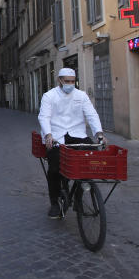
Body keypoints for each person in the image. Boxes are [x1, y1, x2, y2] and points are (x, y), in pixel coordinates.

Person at [38, 67, 104, 219]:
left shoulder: (81, 96)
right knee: (54, 168)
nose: (70, 84)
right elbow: (44, 117)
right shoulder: (49, 96)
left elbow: (91, 114)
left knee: (91, 156)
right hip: (56, 136)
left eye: (72, 81)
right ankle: (54, 202)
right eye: (67, 81)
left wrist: (99, 133)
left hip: (77, 134)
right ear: (59, 80)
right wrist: (48, 134)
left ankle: (82, 189)